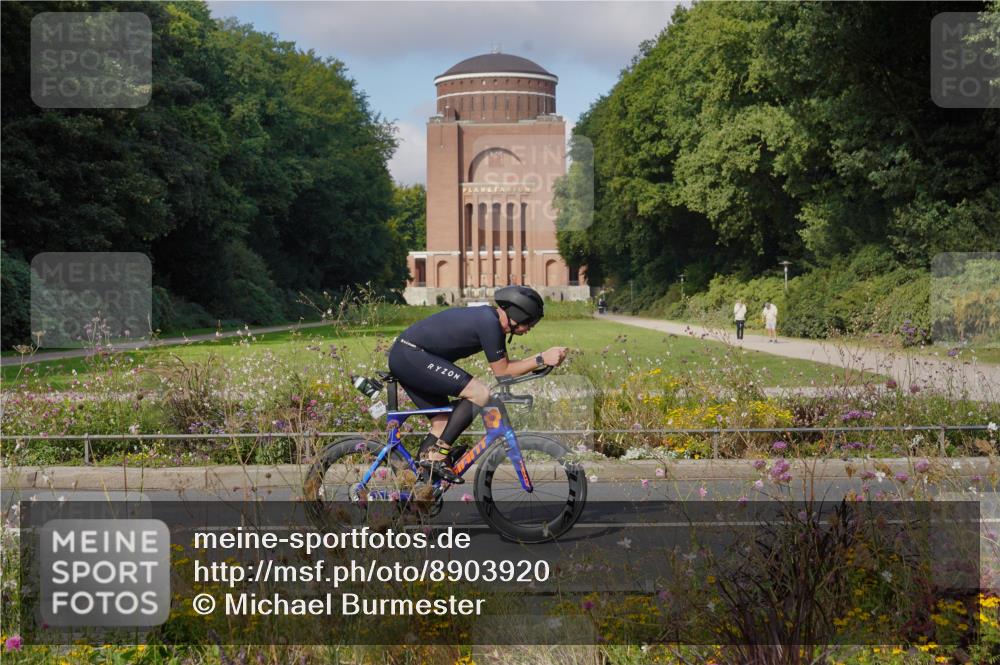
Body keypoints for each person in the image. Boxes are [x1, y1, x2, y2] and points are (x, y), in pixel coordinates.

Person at [387, 286, 568, 483]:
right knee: (479, 393)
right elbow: (503, 372)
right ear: (519, 315)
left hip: (408, 355)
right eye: (530, 323)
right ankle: (438, 456)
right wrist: (542, 358)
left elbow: (505, 368)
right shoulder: (489, 323)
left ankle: (420, 490)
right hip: (410, 355)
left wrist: (540, 359)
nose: (530, 328)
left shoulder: (489, 320)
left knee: (443, 423)